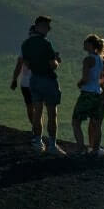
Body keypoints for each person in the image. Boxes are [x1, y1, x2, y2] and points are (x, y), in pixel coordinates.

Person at [19, 15, 65, 155]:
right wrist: (56, 60)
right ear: (39, 26)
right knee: (52, 113)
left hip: (34, 79)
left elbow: (26, 64)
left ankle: (38, 142)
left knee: (37, 112)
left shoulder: (25, 44)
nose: (49, 29)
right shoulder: (46, 44)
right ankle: (52, 145)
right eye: (46, 26)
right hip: (48, 80)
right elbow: (53, 65)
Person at [72, 34, 104, 156]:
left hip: (87, 94)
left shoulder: (88, 59)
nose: (84, 44)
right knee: (96, 123)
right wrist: (98, 83)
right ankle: (96, 149)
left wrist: (80, 83)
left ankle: (80, 148)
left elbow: (85, 78)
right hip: (98, 94)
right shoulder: (101, 60)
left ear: (90, 45)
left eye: (85, 42)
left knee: (76, 121)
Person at [8, 25, 38, 139]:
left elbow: (19, 65)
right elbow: (19, 64)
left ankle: (36, 129)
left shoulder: (26, 46)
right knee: (34, 107)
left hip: (27, 82)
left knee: (31, 107)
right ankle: (36, 128)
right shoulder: (26, 47)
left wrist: (14, 79)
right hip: (30, 82)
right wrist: (15, 79)